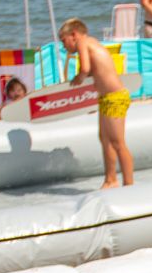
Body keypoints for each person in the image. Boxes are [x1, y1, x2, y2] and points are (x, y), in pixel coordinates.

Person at [57, 18, 133, 186]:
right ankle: (110, 180)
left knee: (118, 142)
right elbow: (95, 73)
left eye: (64, 41)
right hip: (105, 98)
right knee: (105, 139)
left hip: (115, 97)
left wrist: (78, 78)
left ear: (74, 35)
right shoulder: (92, 43)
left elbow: (84, 69)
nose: (64, 46)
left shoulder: (83, 42)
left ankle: (129, 184)